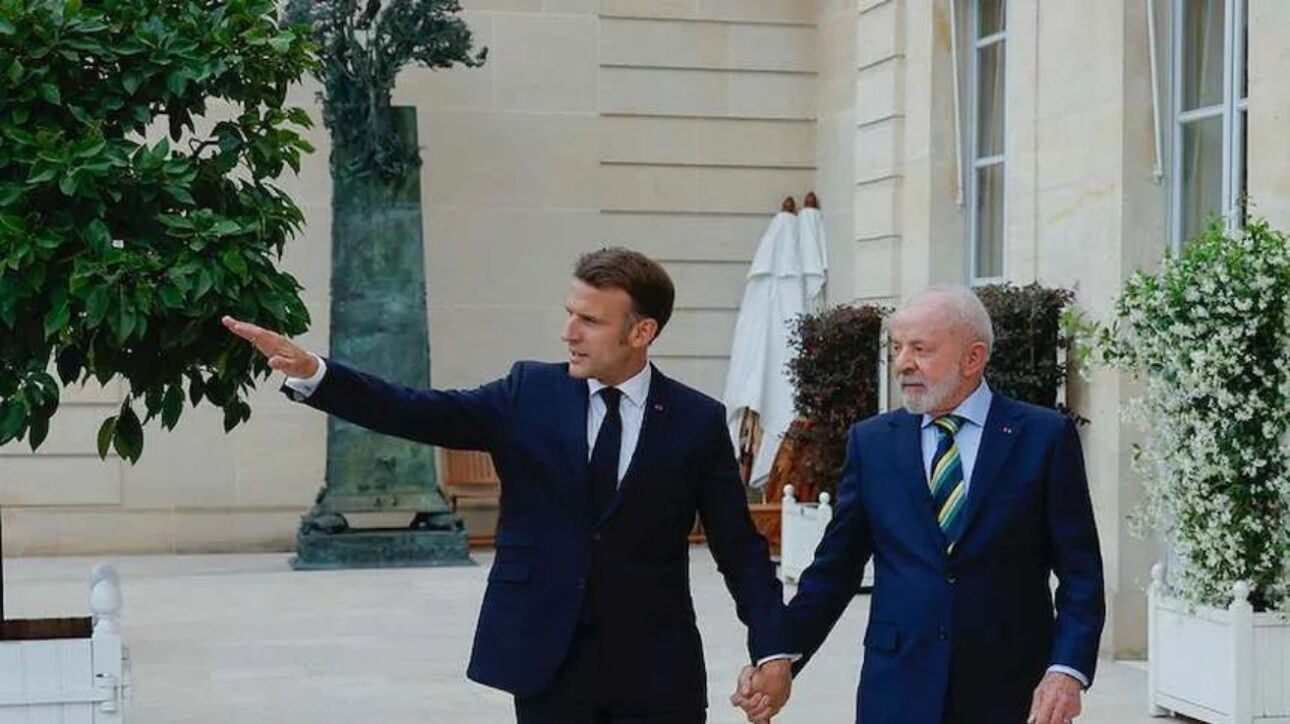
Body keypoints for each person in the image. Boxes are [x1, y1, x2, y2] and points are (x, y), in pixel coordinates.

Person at [224, 247, 794, 724]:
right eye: (570, 313)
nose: (567, 332)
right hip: (547, 659)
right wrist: (315, 374)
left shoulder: (696, 421)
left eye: (589, 321)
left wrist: (772, 650)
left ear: (642, 332)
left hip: (656, 669)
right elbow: (418, 412)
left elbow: (740, 550)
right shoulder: (529, 392)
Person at [733, 286, 1105, 724]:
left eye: (920, 349)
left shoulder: (1043, 437)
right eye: (896, 347)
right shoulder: (872, 443)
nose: (902, 363)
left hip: (1011, 691)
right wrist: (780, 655)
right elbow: (834, 571)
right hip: (897, 689)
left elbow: (1081, 576)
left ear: (973, 357)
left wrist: (1066, 671)